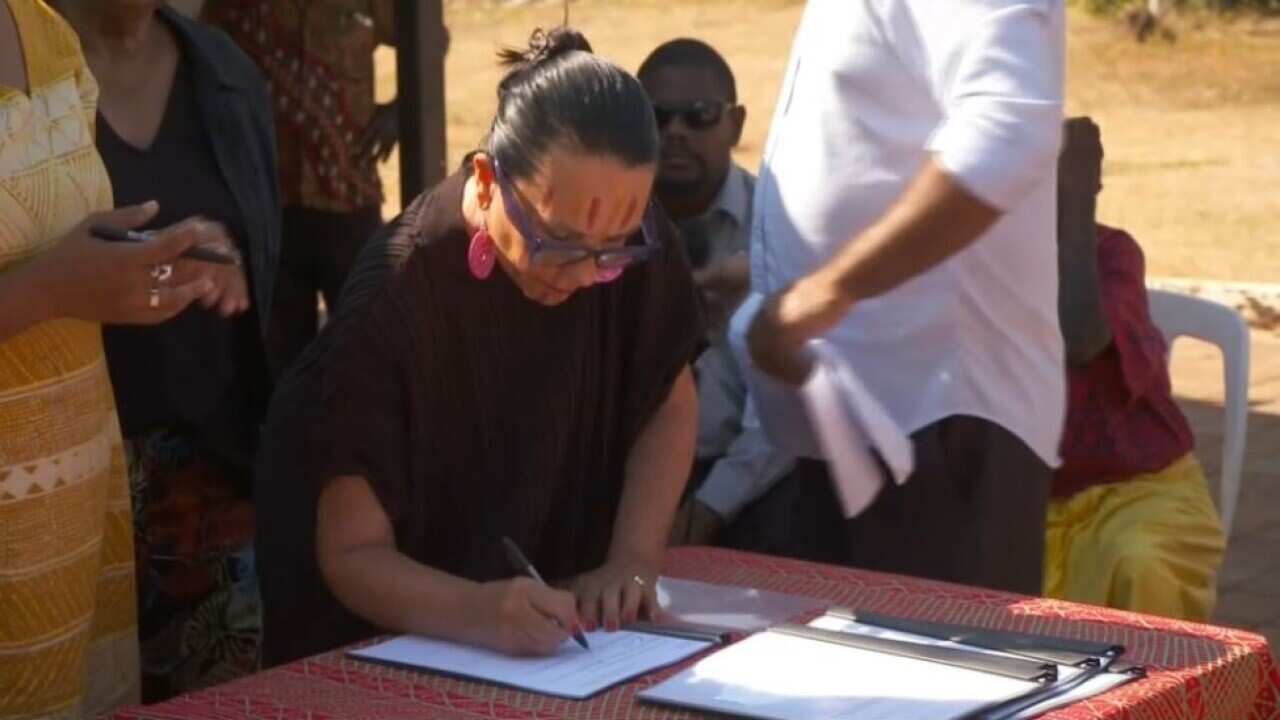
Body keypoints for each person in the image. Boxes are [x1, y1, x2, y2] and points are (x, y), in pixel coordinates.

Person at [255, 27, 703, 663]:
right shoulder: (395, 299)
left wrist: (632, 558)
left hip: (555, 637)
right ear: (488, 182)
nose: (586, 273)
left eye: (616, 250)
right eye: (560, 242)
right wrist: (480, 611)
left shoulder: (617, 229)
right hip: (389, 640)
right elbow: (352, 553)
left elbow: (668, 395)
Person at [739, 0, 1066, 593]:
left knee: (944, 675)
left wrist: (827, 289)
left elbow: (1008, 133)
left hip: (939, 424)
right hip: (855, 419)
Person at [0, 2, 227, 717]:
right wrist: (48, 290)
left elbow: (54, 231)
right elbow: (42, 277)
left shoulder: (44, 31)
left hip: (67, 545)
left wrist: (144, 265)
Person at [53, 0, 280, 698]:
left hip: (210, 485)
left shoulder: (228, 77)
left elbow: (261, 251)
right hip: (62, 485)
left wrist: (226, 257)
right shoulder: (30, 78)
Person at [1044, 116, 1225, 620]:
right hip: (1028, 501)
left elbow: (1079, 335)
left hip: (1140, 486)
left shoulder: (1110, 253)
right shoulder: (986, 262)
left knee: (1139, 563)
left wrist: (1074, 206)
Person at [636, 39, 792, 546]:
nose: (676, 133)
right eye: (657, 117)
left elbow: (782, 416)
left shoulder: (778, 226)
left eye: (698, 115)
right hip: (627, 486)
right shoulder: (603, 226)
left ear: (737, 123)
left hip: (752, 487)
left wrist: (708, 509)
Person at [202, 0, 398, 374]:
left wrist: (400, 111)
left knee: (370, 347)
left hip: (348, 199)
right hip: (271, 209)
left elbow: (430, 39)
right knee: (282, 369)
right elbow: (197, 50)